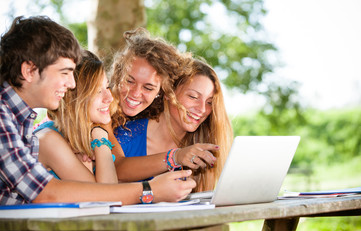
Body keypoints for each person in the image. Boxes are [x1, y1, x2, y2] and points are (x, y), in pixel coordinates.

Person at [0, 16, 195, 206]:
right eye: (65, 72)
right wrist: (150, 190)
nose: (71, 83)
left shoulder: (22, 121)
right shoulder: (9, 120)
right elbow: (47, 193)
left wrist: (99, 135)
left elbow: (100, 192)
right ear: (29, 71)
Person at [112, 58, 234, 192]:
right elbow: (112, 174)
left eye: (209, 102)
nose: (202, 109)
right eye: (193, 97)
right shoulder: (125, 134)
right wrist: (175, 157)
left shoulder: (202, 145)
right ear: (169, 93)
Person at [33, 50, 118, 183]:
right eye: (97, 91)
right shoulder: (49, 140)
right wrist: (100, 137)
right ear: (74, 98)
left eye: (107, 87)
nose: (109, 97)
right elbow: (107, 196)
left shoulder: (81, 138)